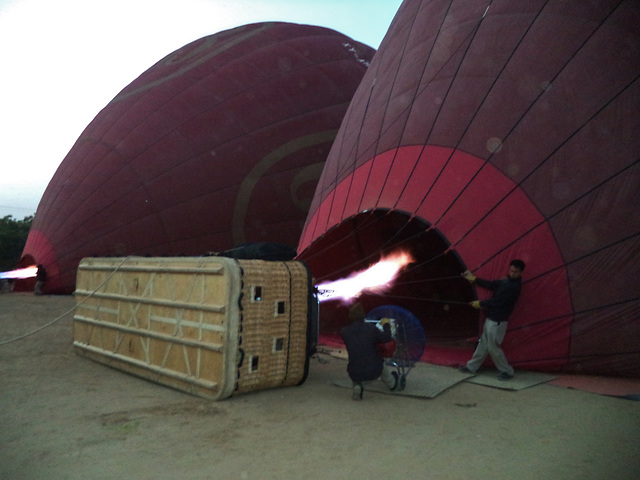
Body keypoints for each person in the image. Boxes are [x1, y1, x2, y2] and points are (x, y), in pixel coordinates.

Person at [459, 259, 526, 380]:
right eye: (511, 270)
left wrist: (480, 303)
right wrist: (474, 279)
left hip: (498, 321)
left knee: (493, 347)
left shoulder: (514, 287)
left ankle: (507, 371)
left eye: (515, 272)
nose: (512, 273)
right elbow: (490, 285)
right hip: (491, 318)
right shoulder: (506, 281)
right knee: (483, 343)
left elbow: (498, 301)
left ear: (521, 273)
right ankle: (472, 366)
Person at [340, 303, 398, 400]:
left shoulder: (344, 331)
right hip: (374, 370)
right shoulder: (371, 329)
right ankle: (392, 383)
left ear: (350, 316)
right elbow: (387, 338)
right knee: (380, 363)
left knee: (357, 362)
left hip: (354, 371)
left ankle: (357, 385)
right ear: (363, 315)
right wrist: (386, 325)